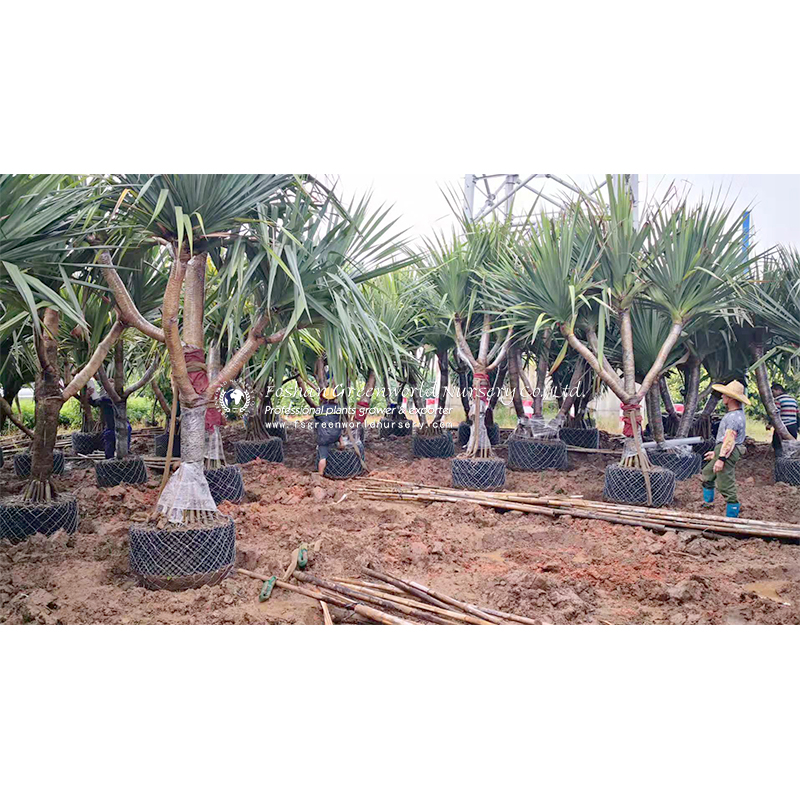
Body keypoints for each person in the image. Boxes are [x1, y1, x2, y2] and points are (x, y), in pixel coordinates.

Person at [700, 379, 749, 518]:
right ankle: (708, 503)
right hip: (724, 449)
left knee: (725, 483)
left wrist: (721, 458)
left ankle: (732, 515)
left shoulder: (733, 417)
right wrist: (716, 454)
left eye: (724, 395)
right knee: (708, 473)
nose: (722, 397)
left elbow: (729, 440)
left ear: (731, 398)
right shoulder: (735, 414)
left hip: (728, 451)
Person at [88, 379, 131, 460]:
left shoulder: (106, 399)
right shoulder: (110, 398)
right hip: (117, 428)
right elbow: (95, 403)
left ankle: (114, 464)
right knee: (115, 453)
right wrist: (90, 395)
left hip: (119, 428)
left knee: (118, 453)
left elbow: (96, 402)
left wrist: (90, 396)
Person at [315, 385, 343, 477]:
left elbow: (316, 419)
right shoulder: (338, 408)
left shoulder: (319, 409)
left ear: (323, 397)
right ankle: (342, 444)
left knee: (323, 457)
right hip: (336, 435)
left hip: (324, 437)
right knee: (338, 427)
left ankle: (320, 473)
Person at [769, 382, 798, 455]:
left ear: (779, 390)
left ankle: (780, 463)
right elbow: (797, 413)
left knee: (777, 446)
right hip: (793, 427)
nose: (772, 394)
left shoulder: (777, 400)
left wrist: (770, 424)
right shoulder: (793, 400)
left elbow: (776, 414)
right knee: (791, 448)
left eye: (773, 391)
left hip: (782, 427)